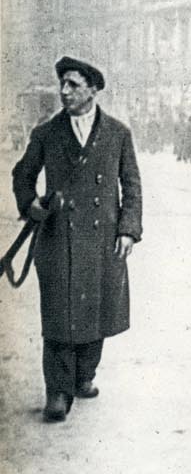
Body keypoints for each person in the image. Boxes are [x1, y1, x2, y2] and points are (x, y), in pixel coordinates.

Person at [11, 57, 142, 422]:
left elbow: (131, 184)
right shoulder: (47, 132)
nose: (64, 92)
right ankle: (58, 391)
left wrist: (129, 230)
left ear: (92, 89)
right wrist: (30, 202)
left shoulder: (118, 133)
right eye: (62, 85)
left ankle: (84, 376)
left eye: (72, 84)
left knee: (96, 310)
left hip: (103, 239)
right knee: (58, 314)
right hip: (57, 237)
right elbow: (22, 174)